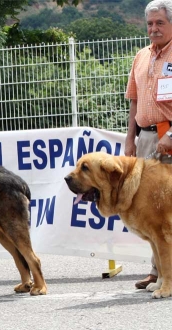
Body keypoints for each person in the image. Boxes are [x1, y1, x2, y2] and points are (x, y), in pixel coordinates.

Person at [125, 0, 172, 290]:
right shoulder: (141, 57)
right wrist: (130, 139)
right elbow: (133, 100)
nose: (153, 29)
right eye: (150, 24)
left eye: (160, 23)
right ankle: (157, 271)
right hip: (145, 140)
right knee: (151, 210)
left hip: (169, 138)